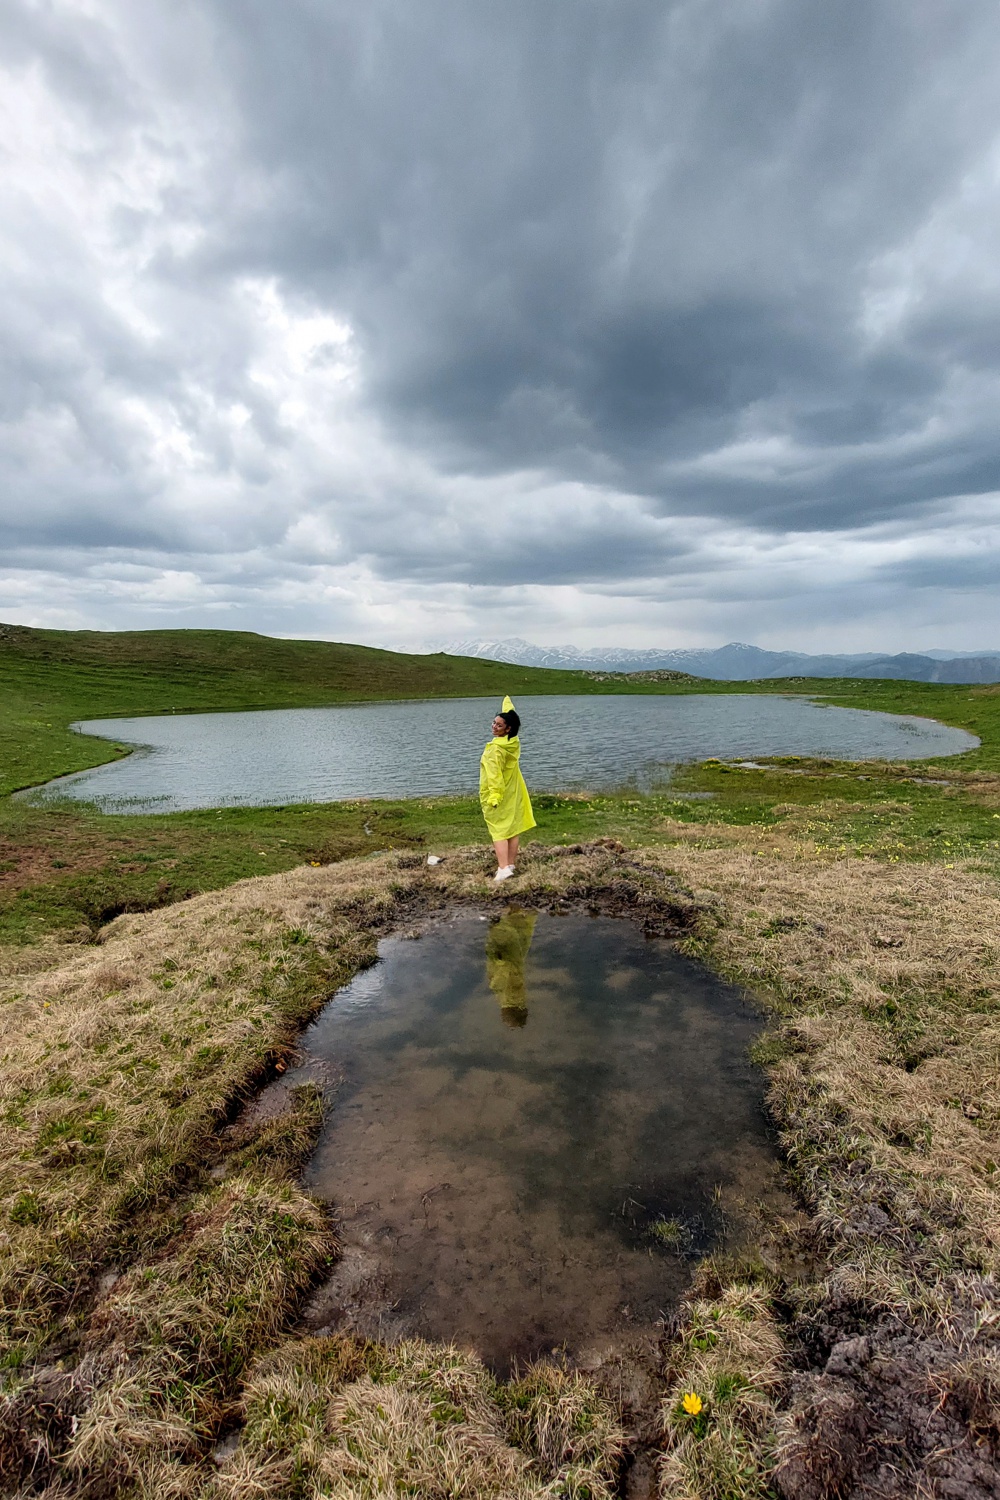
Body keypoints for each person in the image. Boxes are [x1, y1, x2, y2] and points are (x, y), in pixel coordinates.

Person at [479, 694, 536, 881]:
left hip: (500, 793)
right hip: (513, 791)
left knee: (499, 829)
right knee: (512, 828)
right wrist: (507, 705)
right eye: (494, 723)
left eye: (499, 725)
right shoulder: (512, 743)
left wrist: (494, 796)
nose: (494, 727)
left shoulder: (496, 749)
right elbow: (511, 712)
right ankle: (511, 864)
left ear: (508, 729)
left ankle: (503, 869)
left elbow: (494, 774)